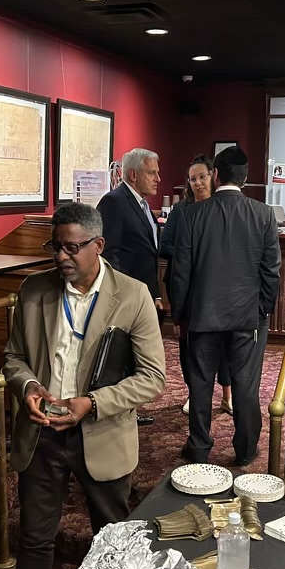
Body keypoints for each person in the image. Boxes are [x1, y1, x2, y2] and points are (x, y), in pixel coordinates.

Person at [3, 202, 166, 569]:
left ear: (99, 245)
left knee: (111, 540)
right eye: (55, 246)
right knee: (34, 538)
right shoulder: (34, 290)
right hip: (41, 432)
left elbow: (152, 378)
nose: (61, 257)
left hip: (103, 432)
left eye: (72, 248)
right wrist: (29, 386)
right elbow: (14, 358)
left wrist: (92, 403)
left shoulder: (133, 295)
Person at [171, 146, 281, 466]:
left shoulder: (192, 215)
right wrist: (262, 310)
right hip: (248, 317)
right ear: (245, 177)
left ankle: (199, 445)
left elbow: (181, 271)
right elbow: (271, 271)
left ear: (216, 175)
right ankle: (245, 448)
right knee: (246, 384)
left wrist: (179, 314)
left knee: (200, 383)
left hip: (202, 315)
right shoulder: (263, 214)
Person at [160, 154, 232, 416]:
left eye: (202, 176)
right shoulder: (182, 210)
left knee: (225, 344)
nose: (198, 183)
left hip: (220, 288)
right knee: (190, 347)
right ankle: (195, 394)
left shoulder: (223, 206)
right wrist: (190, 254)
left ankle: (227, 395)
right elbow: (165, 246)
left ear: (213, 176)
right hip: (187, 288)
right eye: (193, 179)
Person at [97, 147, 163, 425]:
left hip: (142, 293)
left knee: (135, 357)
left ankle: (127, 411)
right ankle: (116, 413)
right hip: (123, 296)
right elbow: (108, 253)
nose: (158, 179)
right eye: (152, 173)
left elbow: (147, 252)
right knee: (120, 356)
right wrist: (124, 293)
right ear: (133, 175)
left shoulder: (142, 204)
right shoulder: (113, 202)